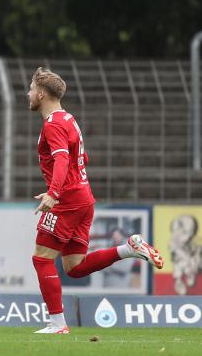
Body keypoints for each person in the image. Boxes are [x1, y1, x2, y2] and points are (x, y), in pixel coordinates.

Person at [28, 67, 162, 334]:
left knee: (42, 259)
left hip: (66, 200)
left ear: (41, 94)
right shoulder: (69, 119)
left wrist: (54, 193)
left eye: (31, 89)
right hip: (83, 197)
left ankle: (57, 324)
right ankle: (129, 249)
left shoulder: (53, 123)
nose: (28, 94)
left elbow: (63, 159)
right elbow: (81, 160)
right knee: (74, 267)